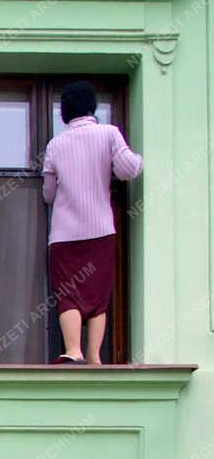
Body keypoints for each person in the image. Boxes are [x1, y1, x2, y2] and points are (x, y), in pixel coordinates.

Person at [42, 80, 142, 364]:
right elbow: (127, 170)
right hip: (100, 229)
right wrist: (140, 160)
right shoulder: (109, 133)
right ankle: (96, 356)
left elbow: (48, 193)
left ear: (65, 113)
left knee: (68, 294)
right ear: (92, 107)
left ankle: (73, 350)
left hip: (63, 234)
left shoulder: (55, 145)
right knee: (98, 294)